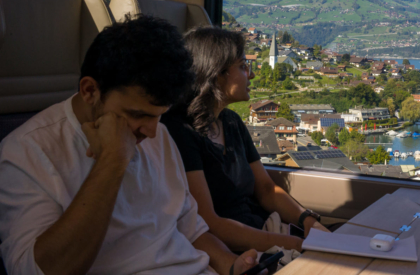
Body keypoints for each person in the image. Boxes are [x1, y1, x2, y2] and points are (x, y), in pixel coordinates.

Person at [0, 16, 260, 275]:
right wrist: (112, 161)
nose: (151, 130)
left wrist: (232, 266)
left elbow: (190, 228)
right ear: (90, 91)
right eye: (138, 114)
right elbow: (36, 270)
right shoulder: (27, 151)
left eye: (158, 115)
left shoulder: (159, 133)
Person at [161, 27, 330, 254]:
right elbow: (209, 223)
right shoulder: (179, 131)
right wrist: (299, 244)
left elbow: (267, 189)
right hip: (241, 251)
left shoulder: (231, 122)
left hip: (265, 233)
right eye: (242, 67)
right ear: (216, 73)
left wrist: (310, 222)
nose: (250, 74)